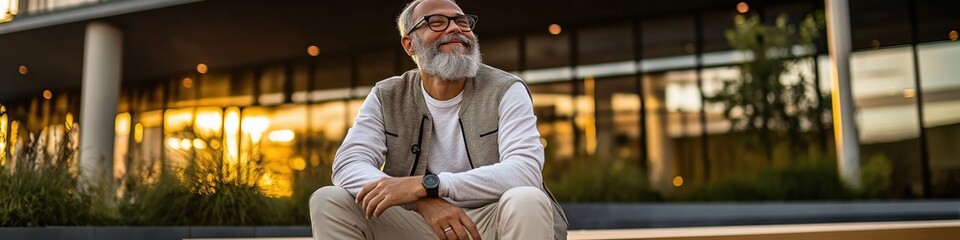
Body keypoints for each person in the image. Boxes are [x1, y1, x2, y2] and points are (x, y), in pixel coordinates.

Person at [309, 0, 567, 239]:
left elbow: (525, 172)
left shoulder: (506, 89)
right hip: (416, 222)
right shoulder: (387, 95)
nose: (455, 28)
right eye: (437, 22)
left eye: (462, 21)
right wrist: (423, 202)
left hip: (490, 220)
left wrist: (429, 185)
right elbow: (347, 165)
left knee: (526, 198)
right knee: (328, 200)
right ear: (409, 44)